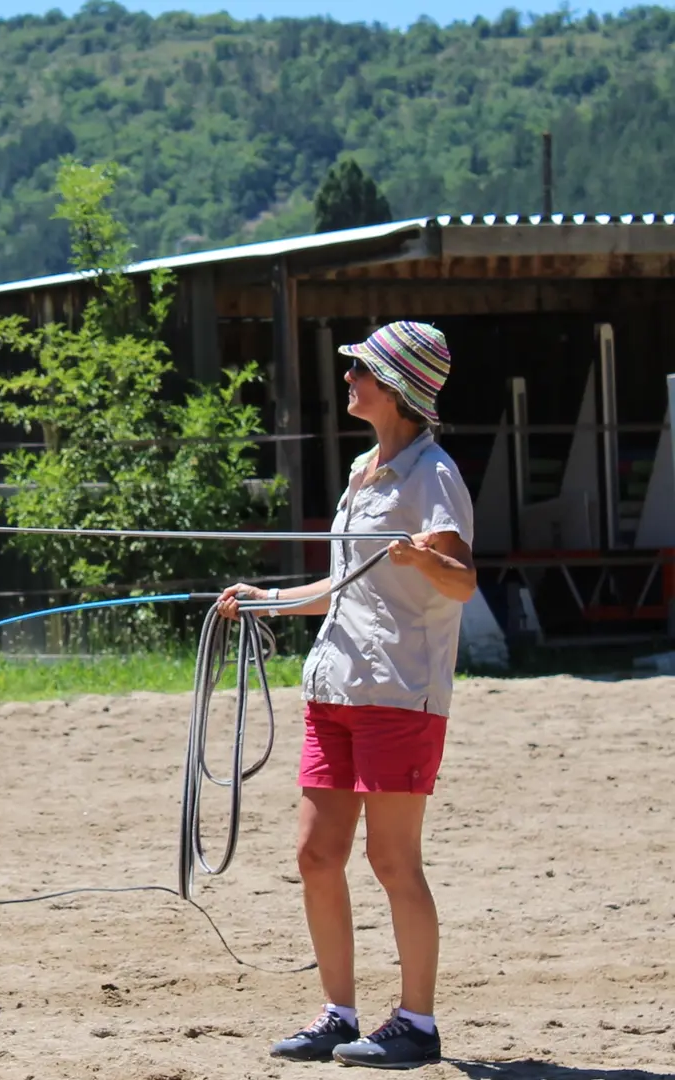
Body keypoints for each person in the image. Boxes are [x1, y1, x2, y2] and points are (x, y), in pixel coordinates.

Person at [219, 321, 475, 1069]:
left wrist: (421, 557)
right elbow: (344, 587)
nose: (349, 378)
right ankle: (338, 1013)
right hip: (336, 685)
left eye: (361, 369)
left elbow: (462, 579)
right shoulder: (364, 469)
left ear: (396, 385)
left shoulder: (433, 476)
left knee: (394, 862)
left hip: (400, 692)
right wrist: (268, 600)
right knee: (315, 853)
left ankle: (418, 1025)